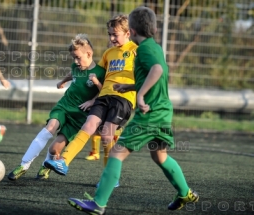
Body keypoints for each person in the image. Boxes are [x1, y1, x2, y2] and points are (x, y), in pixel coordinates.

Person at [67, 6, 199, 214]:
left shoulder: (143, 49)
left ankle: (98, 203)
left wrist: (139, 95)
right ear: (154, 28)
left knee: (116, 153)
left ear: (133, 31)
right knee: (160, 156)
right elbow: (155, 75)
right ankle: (184, 192)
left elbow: (157, 70)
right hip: (164, 112)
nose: (112, 38)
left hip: (150, 114)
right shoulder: (153, 47)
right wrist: (130, 87)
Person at [44, 14, 137, 188]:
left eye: (115, 34)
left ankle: (111, 178)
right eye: (109, 34)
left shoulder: (135, 51)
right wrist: (75, 72)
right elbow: (93, 71)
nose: (111, 38)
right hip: (103, 97)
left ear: (128, 33)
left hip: (123, 99)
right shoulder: (108, 53)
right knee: (88, 126)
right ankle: (63, 161)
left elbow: (145, 75)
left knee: (107, 136)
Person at [7, 34, 106, 181]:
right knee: (50, 128)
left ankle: (45, 167)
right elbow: (72, 73)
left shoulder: (100, 73)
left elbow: (104, 92)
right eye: (73, 58)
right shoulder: (76, 67)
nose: (75, 61)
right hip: (64, 105)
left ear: (89, 54)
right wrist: (63, 81)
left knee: (54, 150)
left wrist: (93, 98)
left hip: (79, 116)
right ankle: (24, 165)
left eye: (78, 57)